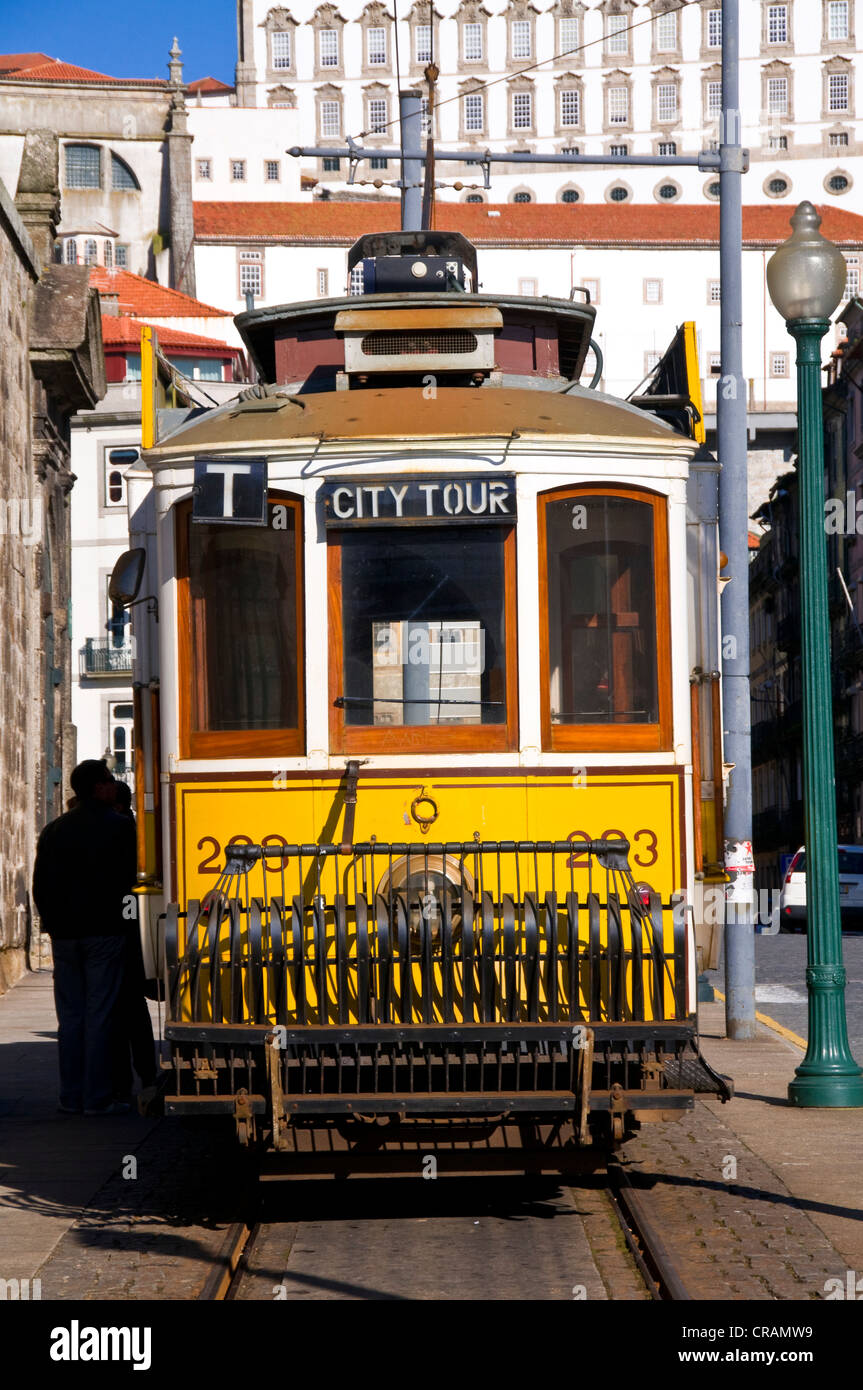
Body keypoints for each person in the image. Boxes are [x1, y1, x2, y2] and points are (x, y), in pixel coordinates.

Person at [32, 760, 137, 1115]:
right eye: (109, 781)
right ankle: (96, 1097)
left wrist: (52, 923)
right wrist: (127, 922)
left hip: (65, 935)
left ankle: (70, 1095)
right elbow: (128, 884)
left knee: (71, 1017)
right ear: (97, 787)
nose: (113, 785)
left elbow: (40, 886)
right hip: (104, 931)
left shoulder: (54, 830)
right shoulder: (120, 827)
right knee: (100, 1014)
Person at [112, 782, 158, 1100]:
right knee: (133, 1008)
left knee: (117, 1010)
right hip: (132, 928)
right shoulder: (136, 831)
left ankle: (122, 1082)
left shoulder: (117, 831)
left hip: (117, 930)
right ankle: (145, 1074)